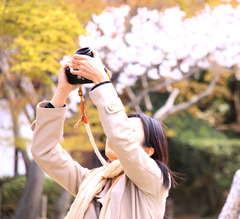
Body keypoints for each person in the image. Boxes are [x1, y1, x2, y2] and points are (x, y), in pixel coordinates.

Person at [31, 49, 176, 219]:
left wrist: (101, 80)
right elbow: (44, 151)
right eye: (123, 128)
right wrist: (62, 91)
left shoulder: (154, 180)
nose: (116, 134)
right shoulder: (92, 182)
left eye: (130, 131)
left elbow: (121, 139)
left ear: (147, 151)